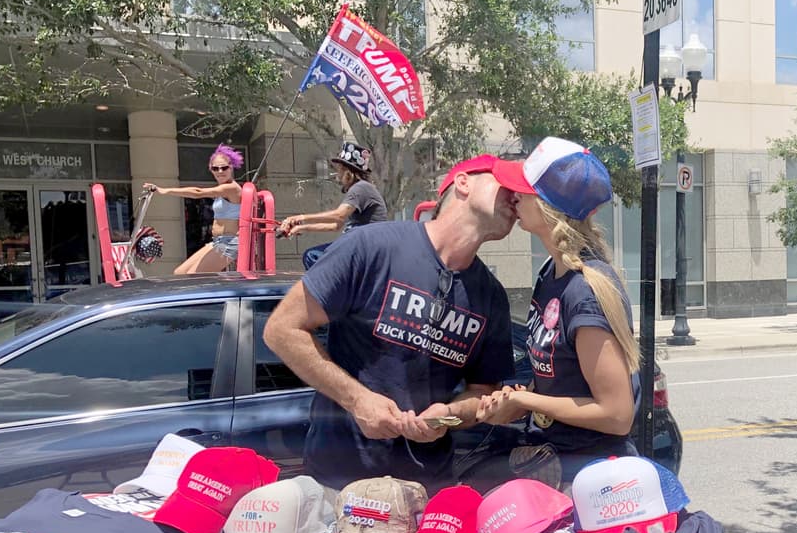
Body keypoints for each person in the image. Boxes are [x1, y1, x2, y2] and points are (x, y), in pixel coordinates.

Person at [263, 155, 519, 491]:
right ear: (463, 182)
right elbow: (282, 329)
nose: (515, 198)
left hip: (426, 490)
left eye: (518, 193)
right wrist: (357, 400)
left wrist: (446, 416)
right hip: (338, 482)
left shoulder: (491, 296)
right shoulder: (371, 247)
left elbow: (483, 393)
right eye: (505, 184)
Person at [474, 138, 638, 485]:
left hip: (592, 480)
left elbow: (616, 414)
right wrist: (517, 399)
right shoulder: (551, 273)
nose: (514, 196)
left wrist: (528, 400)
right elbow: (560, 378)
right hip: (557, 466)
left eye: (524, 189)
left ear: (549, 206)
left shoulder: (585, 290)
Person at [279, 141, 389, 269]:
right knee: (314, 256)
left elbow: (339, 215)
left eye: (340, 169)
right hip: (361, 246)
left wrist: (301, 217)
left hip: (363, 249)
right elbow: (335, 226)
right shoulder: (362, 189)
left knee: (312, 256)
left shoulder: (360, 188)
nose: (338, 174)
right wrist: (301, 228)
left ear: (348, 172)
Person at [143, 144, 245, 274]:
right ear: (211, 169)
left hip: (229, 242)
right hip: (217, 241)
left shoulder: (231, 188)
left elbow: (198, 192)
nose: (220, 171)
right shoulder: (222, 189)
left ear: (231, 167)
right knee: (179, 273)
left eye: (224, 167)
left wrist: (164, 190)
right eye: (215, 168)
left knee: (192, 277)